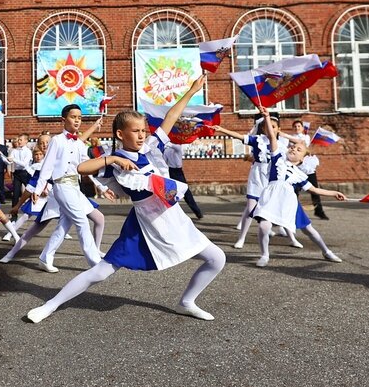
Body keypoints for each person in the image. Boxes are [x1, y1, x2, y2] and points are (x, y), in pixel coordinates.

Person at [27, 75, 227, 324]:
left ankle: (187, 301)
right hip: (143, 223)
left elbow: (172, 117)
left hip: (171, 216)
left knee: (217, 258)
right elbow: (81, 168)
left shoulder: (150, 148)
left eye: (144, 130)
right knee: (101, 272)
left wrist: (191, 91)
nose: (142, 135)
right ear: (121, 134)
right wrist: (112, 159)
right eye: (136, 131)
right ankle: (51, 304)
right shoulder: (114, 159)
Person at [250, 107, 346, 267]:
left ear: (302, 159)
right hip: (271, 197)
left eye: (298, 149)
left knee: (308, 229)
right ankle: (265, 255)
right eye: (293, 147)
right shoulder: (277, 158)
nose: (294, 148)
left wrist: (333, 193)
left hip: (289, 202)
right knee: (264, 226)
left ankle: (326, 251)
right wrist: (266, 117)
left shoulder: (299, 174)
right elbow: (273, 137)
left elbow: (314, 190)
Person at [29, 105, 104, 270]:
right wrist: (37, 189)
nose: (77, 120)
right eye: (73, 117)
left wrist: (102, 186)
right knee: (82, 221)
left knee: (64, 225)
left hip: (75, 187)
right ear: (64, 119)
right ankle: (95, 263)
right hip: (62, 186)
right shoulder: (57, 140)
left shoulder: (79, 144)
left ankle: (45, 257)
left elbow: (87, 167)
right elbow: (47, 166)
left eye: (79, 117)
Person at [214, 113, 289, 248]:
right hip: (257, 174)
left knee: (272, 207)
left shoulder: (283, 144)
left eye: (273, 127)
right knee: (250, 208)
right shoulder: (257, 139)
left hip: (273, 176)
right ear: (263, 129)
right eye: (267, 127)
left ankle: (285, 235)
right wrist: (221, 129)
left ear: (278, 128)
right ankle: (241, 238)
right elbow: (239, 136)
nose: (270, 129)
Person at [164, 142, 203, 219]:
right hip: (171, 171)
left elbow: (175, 147)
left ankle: (197, 212)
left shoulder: (177, 147)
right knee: (170, 193)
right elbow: (165, 161)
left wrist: (166, 143)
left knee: (186, 192)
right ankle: (169, 214)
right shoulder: (166, 151)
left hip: (178, 172)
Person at [8, 134, 32, 206]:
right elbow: (9, 161)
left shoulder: (28, 151)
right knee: (15, 193)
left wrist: (13, 159)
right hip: (17, 173)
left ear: (26, 141)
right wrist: (1, 155)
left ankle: (34, 208)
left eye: (21, 140)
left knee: (30, 191)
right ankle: (14, 214)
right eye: (19, 140)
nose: (19, 141)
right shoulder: (14, 151)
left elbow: (24, 164)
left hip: (25, 173)